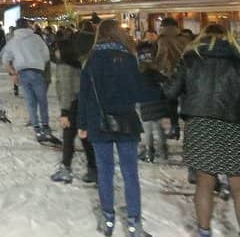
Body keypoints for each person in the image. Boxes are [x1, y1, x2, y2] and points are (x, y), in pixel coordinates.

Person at [163, 24, 240, 237]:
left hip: (200, 125)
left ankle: (204, 232)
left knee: (205, 182)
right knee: (238, 183)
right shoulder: (237, 59)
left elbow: (170, 91)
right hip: (234, 124)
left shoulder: (190, 59)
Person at [78, 20, 148, 237]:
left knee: (105, 172)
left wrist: (82, 124)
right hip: (127, 121)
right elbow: (138, 91)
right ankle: (134, 224)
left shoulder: (90, 60)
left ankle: (108, 221)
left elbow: (84, 95)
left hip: (99, 123)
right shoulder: (128, 58)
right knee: (130, 173)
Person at [50, 25, 97, 185]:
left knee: (69, 138)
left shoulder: (64, 67)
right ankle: (93, 169)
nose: (54, 52)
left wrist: (64, 112)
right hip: (80, 104)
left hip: (71, 106)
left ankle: (66, 169)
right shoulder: (77, 65)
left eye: (56, 49)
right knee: (84, 138)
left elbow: (66, 90)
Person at [2, 18, 60, 145]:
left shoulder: (13, 41)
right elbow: (46, 55)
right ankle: (45, 127)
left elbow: (5, 59)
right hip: (37, 72)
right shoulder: (36, 38)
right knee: (42, 101)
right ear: (28, 26)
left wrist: (13, 73)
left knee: (31, 102)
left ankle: (37, 130)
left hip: (22, 73)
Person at [136, 34, 172, 163]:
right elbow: (166, 80)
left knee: (147, 131)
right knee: (159, 128)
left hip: (145, 103)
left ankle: (149, 153)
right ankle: (163, 152)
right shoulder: (154, 71)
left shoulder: (138, 72)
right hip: (157, 101)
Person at [156, 17, 188, 139]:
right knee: (185, 101)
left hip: (170, 75)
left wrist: (157, 67)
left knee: (171, 103)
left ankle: (175, 128)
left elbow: (162, 56)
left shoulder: (163, 40)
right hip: (186, 74)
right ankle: (188, 126)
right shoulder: (185, 39)